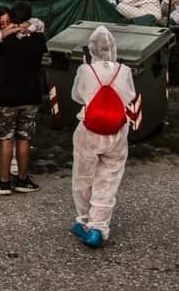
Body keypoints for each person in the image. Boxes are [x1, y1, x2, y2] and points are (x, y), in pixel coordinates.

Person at [69, 26, 137, 248]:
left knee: (83, 176)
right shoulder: (124, 71)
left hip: (90, 130)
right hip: (117, 130)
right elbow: (130, 96)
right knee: (109, 178)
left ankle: (83, 220)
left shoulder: (86, 70)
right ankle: (99, 226)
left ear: (91, 49)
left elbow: (77, 96)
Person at [0, 0, 47, 195]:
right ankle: (22, 179)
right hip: (31, 94)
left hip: (8, 94)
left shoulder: (4, 39)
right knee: (24, 138)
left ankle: (3, 182)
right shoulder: (38, 38)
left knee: (5, 138)